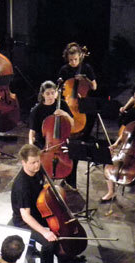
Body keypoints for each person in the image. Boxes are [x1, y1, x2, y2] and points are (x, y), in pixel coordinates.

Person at [11, 144, 58, 263]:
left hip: (37, 211)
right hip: (24, 221)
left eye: (38, 161)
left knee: (57, 227)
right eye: (33, 162)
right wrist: (45, 232)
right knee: (48, 242)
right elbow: (26, 216)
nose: (37, 165)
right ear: (23, 162)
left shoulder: (38, 170)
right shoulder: (21, 185)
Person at [58, 43, 97, 189]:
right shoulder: (64, 69)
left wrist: (85, 80)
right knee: (67, 146)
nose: (73, 62)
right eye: (71, 60)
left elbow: (94, 87)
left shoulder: (86, 68)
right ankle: (67, 175)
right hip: (68, 108)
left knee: (76, 147)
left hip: (83, 111)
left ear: (80, 56)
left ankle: (71, 178)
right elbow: (61, 88)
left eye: (75, 59)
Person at [28, 80, 74, 150]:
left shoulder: (62, 104)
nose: (51, 96)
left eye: (53, 93)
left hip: (61, 141)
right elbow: (32, 132)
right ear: (43, 94)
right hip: (44, 143)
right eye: (47, 94)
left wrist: (64, 113)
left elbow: (72, 124)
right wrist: (31, 146)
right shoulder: (36, 110)